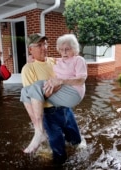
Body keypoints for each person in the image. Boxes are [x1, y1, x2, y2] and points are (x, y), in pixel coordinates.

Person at [20, 33, 87, 164]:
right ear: (30, 49)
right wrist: (54, 89)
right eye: (39, 45)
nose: (44, 47)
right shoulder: (28, 69)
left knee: (76, 141)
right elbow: (32, 97)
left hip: (65, 109)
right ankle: (39, 132)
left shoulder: (53, 60)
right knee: (59, 152)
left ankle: (81, 162)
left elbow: (70, 63)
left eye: (45, 44)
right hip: (50, 115)